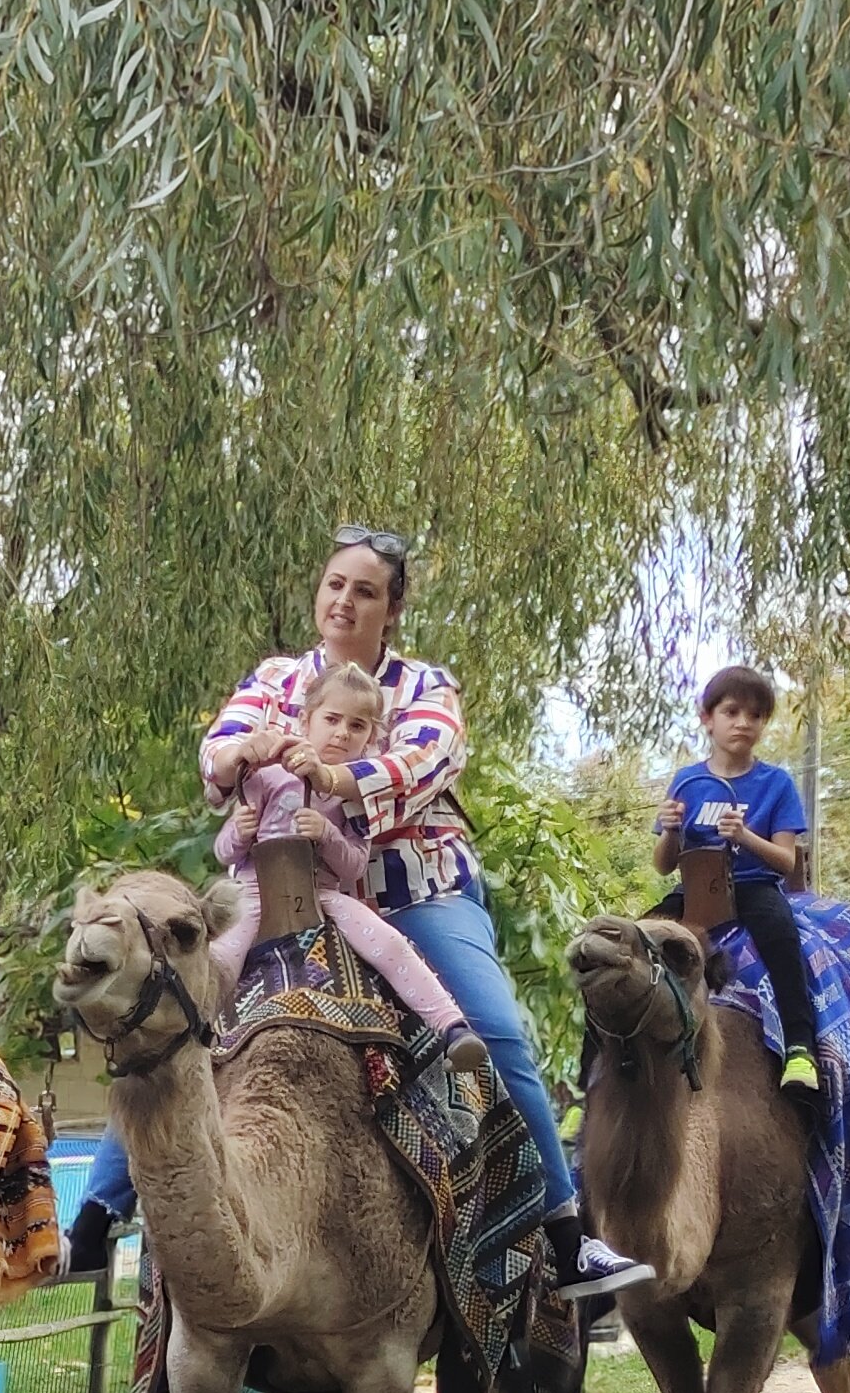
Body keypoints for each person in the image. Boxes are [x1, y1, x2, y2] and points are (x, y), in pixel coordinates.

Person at [68, 526, 652, 1306]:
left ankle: (566, 1235)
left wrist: (332, 774)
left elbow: (420, 763)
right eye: (335, 584)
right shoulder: (276, 677)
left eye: (366, 590)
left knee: (493, 1027)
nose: (344, 600)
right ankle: (98, 1214)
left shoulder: (426, 687)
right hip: (275, 890)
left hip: (412, 892)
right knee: (178, 1006)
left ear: (393, 609)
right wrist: (242, 756)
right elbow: (219, 753)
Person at [207, 660, 482, 1057]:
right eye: (332, 719)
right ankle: (194, 1034)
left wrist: (327, 834)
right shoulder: (266, 776)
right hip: (256, 892)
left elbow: (353, 866)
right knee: (221, 958)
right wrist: (240, 831)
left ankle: (451, 1026)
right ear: (306, 721)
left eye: (357, 726)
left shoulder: (356, 792)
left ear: (371, 737)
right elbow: (226, 853)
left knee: (390, 944)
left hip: (322, 895)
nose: (341, 733)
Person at [649, 662, 825, 1107]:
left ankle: (800, 1047)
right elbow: (663, 866)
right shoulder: (688, 781)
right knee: (638, 941)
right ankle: (595, 1071)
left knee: (782, 937)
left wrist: (745, 836)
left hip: (753, 885)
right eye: (731, 712)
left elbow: (786, 860)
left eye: (755, 715)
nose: (743, 723)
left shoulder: (776, 783)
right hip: (694, 889)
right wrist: (671, 830)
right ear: (707, 718)